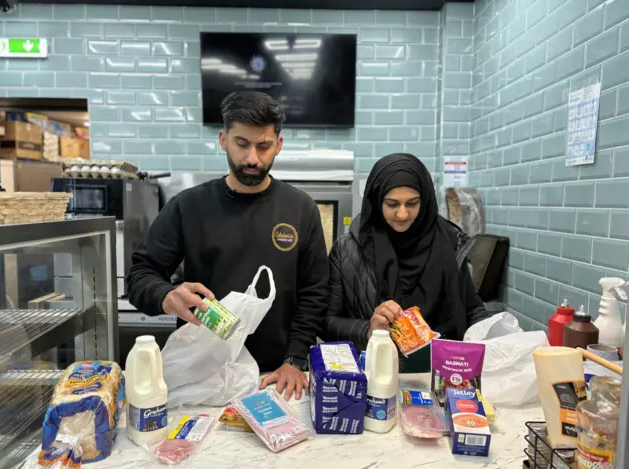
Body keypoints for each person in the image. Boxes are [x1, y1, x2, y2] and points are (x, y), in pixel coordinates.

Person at [127, 91, 329, 400]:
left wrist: (295, 359)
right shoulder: (188, 206)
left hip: (275, 377)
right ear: (223, 140)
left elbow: (315, 293)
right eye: (241, 144)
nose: (252, 158)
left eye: (263, 146)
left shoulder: (300, 208)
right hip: (202, 377)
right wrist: (165, 294)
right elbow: (141, 275)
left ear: (278, 144)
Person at [322, 153, 488, 373]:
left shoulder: (449, 243)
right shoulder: (348, 250)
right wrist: (368, 329)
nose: (402, 214)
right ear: (376, 200)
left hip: (442, 374)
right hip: (375, 373)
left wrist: (491, 337)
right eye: (392, 204)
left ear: (425, 199)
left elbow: (472, 309)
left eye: (412, 203)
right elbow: (326, 322)